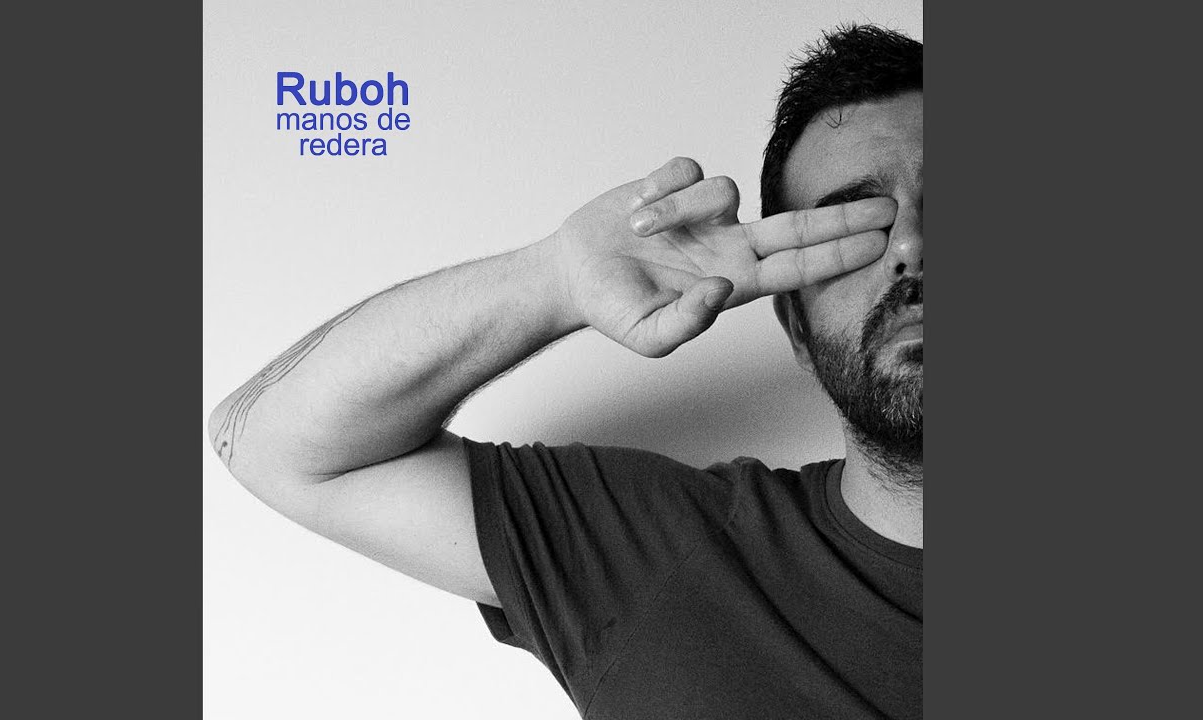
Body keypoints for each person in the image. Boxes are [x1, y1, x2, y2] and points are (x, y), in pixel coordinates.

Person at [210, 23, 922, 720]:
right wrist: (555, 280)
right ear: (798, 329)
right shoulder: (664, 554)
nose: (913, 248)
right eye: (863, 221)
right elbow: (277, 447)